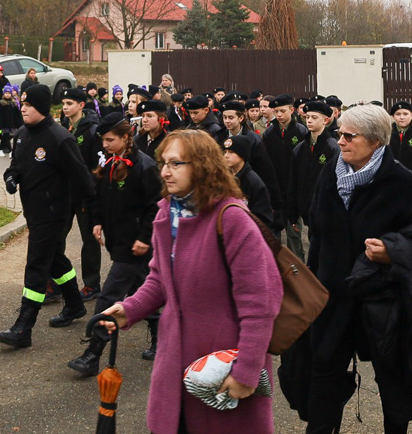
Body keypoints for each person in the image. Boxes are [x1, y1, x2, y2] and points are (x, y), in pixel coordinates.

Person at [100, 129, 282, 434]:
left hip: (222, 365)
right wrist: (128, 309)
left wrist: (248, 370)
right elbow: (159, 279)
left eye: (176, 164)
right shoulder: (166, 213)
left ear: (202, 166)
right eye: (163, 163)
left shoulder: (232, 218)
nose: (165, 172)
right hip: (176, 360)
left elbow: (260, 303)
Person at [304, 104, 412, 433]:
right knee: (324, 377)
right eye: (340, 134)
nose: (340, 142)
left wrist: (395, 252)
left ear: (376, 142)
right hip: (332, 297)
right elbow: (318, 231)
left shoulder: (404, 184)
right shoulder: (330, 175)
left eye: (349, 136)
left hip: (384, 303)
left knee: (393, 381)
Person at [0, 84, 95, 350]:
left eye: (29, 105)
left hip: (54, 214)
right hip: (34, 212)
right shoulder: (22, 135)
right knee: (55, 261)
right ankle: (74, 305)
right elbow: (15, 166)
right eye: (22, 104)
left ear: (41, 107)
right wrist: (11, 178)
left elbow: (83, 178)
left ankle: (23, 327)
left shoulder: (60, 138)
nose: (23, 108)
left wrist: (92, 210)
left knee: (36, 265)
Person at [67, 112, 163, 376]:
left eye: (110, 140)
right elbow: (98, 198)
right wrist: (97, 222)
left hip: (134, 246)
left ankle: (93, 352)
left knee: (109, 296)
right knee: (143, 291)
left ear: (125, 137)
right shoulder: (110, 164)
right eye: (103, 140)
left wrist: (145, 238)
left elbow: (155, 207)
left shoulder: (144, 167)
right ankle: (161, 337)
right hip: (119, 242)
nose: (105, 145)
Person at [59, 87, 102, 301]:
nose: (65, 107)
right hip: (66, 194)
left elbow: (96, 166)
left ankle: (92, 284)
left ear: (81, 105)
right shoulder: (63, 127)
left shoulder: (92, 130)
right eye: (64, 104)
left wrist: (91, 192)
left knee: (89, 240)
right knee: (57, 237)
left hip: (85, 194)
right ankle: (57, 282)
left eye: (69, 104)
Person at [286, 101, 339, 251]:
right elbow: (293, 182)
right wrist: (293, 214)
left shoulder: (332, 147)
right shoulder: (300, 149)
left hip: (326, 210)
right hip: (307, 208)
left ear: (326, 120)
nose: (309, 120)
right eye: (307, 117)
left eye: (314, 117)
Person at [262, 94, 308, 259]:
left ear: (292, 110)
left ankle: (298, 269)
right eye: (276, 111)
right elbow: (266, 163)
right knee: (273, 233)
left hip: (293, 190)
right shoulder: (269, 133)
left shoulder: (301, 132)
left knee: (294, 233)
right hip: (275, 189)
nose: (279, 115)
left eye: (282, 111)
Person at [221, 135, 273, 227]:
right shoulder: (224, 177)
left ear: (242, 155)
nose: (226, 156)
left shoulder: (253, 181)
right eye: (225, 152)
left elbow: (263, 218)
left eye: (231, 152)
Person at [0, 84, 22, 156]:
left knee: (6, 137)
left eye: (9, 93)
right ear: (4, 94)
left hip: (11, 123)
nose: (7, 95)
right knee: (6, 135)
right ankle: (11, 151)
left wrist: (19, 122)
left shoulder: (13, 103)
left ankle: (0, 149)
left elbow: (16, 114)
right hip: (4, 123)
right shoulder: (1, 103)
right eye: (6, 93)